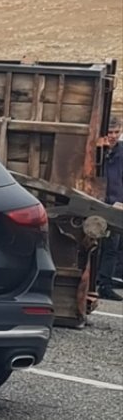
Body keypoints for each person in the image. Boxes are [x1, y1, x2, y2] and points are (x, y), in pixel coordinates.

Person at [98, 117, 122, 301]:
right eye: (110, 132)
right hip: (97, 200)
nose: (113, 136)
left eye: (116, 132)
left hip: (116, 203)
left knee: (111, 247)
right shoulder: (99, 151)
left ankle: (104, 285)